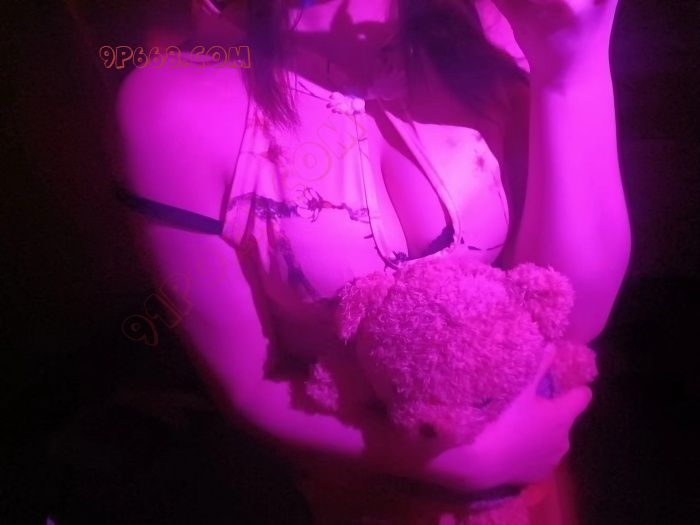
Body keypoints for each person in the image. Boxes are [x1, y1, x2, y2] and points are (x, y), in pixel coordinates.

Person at [115, 0, 630, 523]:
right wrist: (464, 462)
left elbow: (564, 314)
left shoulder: (493, 24)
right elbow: (247, 385)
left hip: (530, 482)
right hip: (357, 498)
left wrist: (572, 71)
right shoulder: (174, 104)